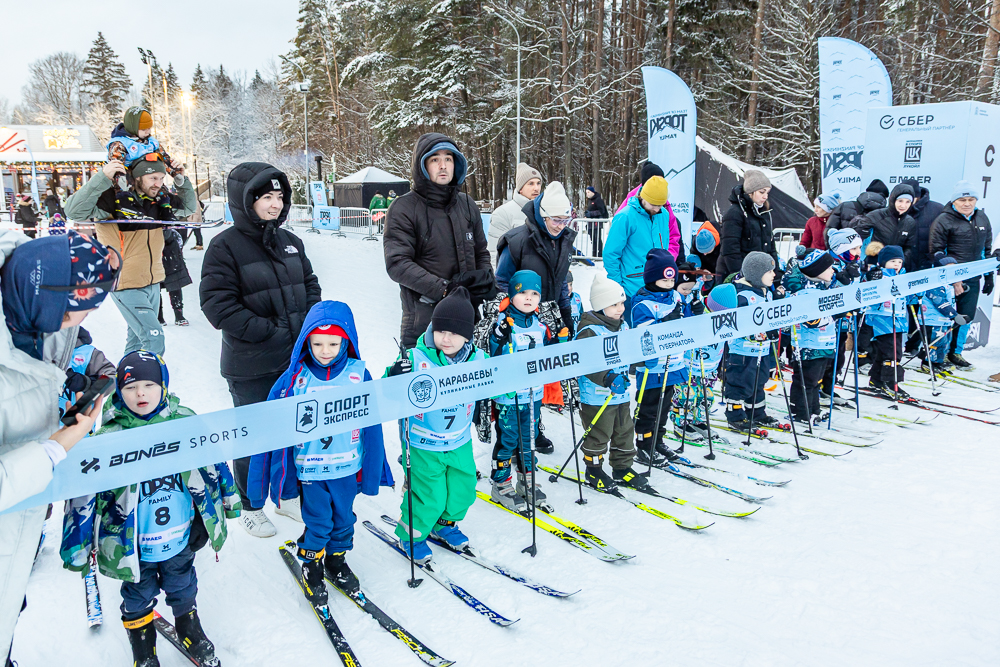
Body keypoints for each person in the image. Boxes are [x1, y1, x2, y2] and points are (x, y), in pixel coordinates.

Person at [60, 350, 239, 667]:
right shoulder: (108, 439)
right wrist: (78, 544)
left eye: (148, 385)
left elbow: (215, 462)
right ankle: (143, 646)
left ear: (164, 386)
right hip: (133, 543)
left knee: (182, 581)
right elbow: (82, 496)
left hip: (180, 532)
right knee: (138, 593)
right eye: (129, 387)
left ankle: (188, 625)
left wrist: (230, 500)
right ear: (118, 392)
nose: (140, 393)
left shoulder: (185, 422)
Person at [1, 230, 116, 665]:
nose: (74, 326)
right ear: (47, 299)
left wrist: (65, 384)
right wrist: (52, 450)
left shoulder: (27, 306)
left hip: (18, 518)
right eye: (73, 316)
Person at [200, 163, 322, 536]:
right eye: (266, 197)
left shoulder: (289, 242)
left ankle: (286, 496)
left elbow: (311, 284)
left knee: (293, 432)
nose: (275, 204)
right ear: (245, 201)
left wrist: (311, 326)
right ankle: (250, 503)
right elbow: (217, 304)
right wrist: (268, 332)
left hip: (294, 360)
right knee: (253, 437)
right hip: (252, 364)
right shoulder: (225, 247)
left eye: (279, 196)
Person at [260, 301, 390, 604]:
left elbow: (373, 425)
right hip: (311, 470)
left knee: (344, 520)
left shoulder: (360, 374)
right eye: (317, 343)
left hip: (346, 466)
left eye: (333, 343)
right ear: (307, 341)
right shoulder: (297, 378)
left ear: (347, 340)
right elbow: (272, 425)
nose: (325, 350)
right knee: (319, 521)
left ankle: (336, 561)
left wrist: (372, 469)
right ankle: (312, 565)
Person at [387, 287, 485, 562]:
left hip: (458, 441)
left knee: (463, 490)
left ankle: (444, 525)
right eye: (441, 330)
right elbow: (388, 390)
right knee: (429, 495)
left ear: (467, 334)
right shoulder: (418, 358)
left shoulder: (477, 359)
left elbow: (497, 381)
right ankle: (412, 534)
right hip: (424, 442)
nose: (446, 337)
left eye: (454, 332)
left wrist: (511, 388)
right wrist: (394, 375)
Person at [65, 154, 197, 357]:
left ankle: (123, 385)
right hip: (126, 283)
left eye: (162, 178)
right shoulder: (112, 202)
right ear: (137, 178)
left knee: (136, 342)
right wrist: (102, 177)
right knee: (154, 338)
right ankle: (154, 386)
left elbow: (188, 208)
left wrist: (180, 179)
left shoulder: (160, 201)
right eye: (153, 178)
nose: (158, 184)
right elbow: (73, 211)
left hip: (152, 281)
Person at [383, 133, 494, 348]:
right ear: (422, 165)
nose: (443, 166)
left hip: (467, 317)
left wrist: (486, 279)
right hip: (425, 320)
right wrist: (445, 289)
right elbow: (397, 264)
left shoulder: (467, 204)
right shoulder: (404, 208)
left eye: (448, 159)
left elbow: (480, 251)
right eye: (435, 159)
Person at [495, 181, 576, 444]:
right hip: (519, 316)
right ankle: (508, 429)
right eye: (555, 219)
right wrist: (509, 317)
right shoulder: (518, 240)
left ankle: (534, 425)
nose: (560, 225)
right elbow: (502, 281)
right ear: (542, 215)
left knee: (538, 374)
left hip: (548, 315)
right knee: (517, 374)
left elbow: (561, 281)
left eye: (566, 220)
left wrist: (565, 316)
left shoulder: (564, 240)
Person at [487, 270, 564, 512]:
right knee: (508, 440)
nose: (528, 298)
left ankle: (526, 479)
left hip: (533, 395)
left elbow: (548, 357)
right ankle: (501, 484)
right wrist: (498, 338)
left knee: (529, 438)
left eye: (534, 293)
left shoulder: (540, 326)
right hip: (509, 398)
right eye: (522, 293)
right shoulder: (503, 322)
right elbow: (492, 355)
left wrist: (559, 342)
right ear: (512, 294)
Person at [574, 273, 649, 492]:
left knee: (624, 430)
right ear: (600, 305)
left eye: (622, 303)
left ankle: (622, 467)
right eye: (614, 304)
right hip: (597, 395)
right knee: (599, 433)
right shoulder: (589, 331)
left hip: (621, 393)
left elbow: (627, 351)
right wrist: (607, 377)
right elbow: (586, 362)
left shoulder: (622, 326)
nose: (620, 308)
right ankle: (594, 470)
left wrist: (638, 360)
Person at [631, 250, 701, 464]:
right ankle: (644, 444)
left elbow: (684, 321)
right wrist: (664, 323)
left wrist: (692, 312)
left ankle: (658, 440)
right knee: (649, 408)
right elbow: (643, 333)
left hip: (674, 363)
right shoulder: (642, 303)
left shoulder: (676, 296)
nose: (670, 284)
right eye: (664, 279)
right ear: (652, 278)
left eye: (672, 279)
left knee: (664, 407)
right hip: (653, 368)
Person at [929, 180, 995, 369]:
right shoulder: (943, 219)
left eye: (971, 199)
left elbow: (987, 249)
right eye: (963, 199)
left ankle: (955, 353)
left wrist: (989, 275)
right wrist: (954, 278)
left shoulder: (982, 217)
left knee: (966, 316)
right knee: (945, 316)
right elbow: (936, 251)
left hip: (974, 276)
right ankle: (934, 354)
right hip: (949, 278)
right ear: (954, 201)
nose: (967, 203)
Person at [604, 176, 677, 324]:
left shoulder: (664, 215)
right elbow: (610, 254)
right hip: (631, 289)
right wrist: (618, 286)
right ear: (643, 197)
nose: (657, 209)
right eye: (653, 204)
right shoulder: (625, 217)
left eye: (661, 205)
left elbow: (664, 249)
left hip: (657, 288)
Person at [722, 252, 781, 429]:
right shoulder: (742, 296)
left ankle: (756, 413)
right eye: (769, 271)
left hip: (762, 350)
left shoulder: (766, 294)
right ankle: (735, 415)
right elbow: (736, 324)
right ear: (756, 274)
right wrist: (756, 334)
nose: (774, 275)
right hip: (742, 351)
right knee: (740, 383)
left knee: (758, 382)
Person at [782, 249, 839, 424]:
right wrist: (835, 313)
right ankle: (802, 411)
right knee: (807, 379)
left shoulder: (822, 289)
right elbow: (812, 321)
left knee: (817, 380)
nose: (833, 271)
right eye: (829, 268)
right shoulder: (805, 294)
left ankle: (814, 409)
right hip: (809, 345)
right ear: (817, 272)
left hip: (823, 344)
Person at [717, 170, 780, 283]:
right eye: (762, 192)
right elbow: (730, 249)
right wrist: (740, 276)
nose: (765, 196)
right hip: (736, 276)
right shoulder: (734, 213)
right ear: (750, 192)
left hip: (759, 275)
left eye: (767, 192)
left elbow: (770, 246)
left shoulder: (764, 212)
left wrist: (776, 273)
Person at [864, 245, 910, 397]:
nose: (897, 264)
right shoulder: (879, 275)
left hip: (898, 320)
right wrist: (871, 279)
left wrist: (918, 293)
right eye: (892, 261)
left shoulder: (903, 276)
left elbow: (908, 297)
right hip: (883, 319)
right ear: (883, 262)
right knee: (892, 352)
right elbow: (867, 287)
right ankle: (890, 381)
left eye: (899, 261)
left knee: (886, 351)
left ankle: (877, 379)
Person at [106, 106, 179, 188]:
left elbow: (164, 157)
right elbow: (115, 163)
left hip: (151, 177)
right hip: (132, 179)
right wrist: (120, 177)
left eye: (149, 128)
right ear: (133, 128)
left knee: (161, 192)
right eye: (144, 130)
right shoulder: (121, 143)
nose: (148, 132)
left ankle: (163, 198)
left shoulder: (151, 142)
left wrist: (175, 172)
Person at [915, 255, 964, 375]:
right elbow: (939, 301)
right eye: (948, 269)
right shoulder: (935, 284)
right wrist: (953, 315)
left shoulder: (947, 283)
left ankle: (938, 363)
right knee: (934, 343)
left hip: (943, 321)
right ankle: (928, 363)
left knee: (943, 343)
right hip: (933, 320)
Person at [854, 183, 918, 271]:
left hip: (895, 268)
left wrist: (900, 262)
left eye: (907, 202)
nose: (903, 206)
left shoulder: (910, 222)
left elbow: (909, 247)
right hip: (873, 266)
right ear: (893, 200)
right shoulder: (876, 215)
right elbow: (856, 237)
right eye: (900, 201)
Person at [487, 163, 543, 261]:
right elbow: (494, 253)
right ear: (520, 188)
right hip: (514, 274)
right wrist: (496, 276)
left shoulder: (544, 211)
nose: (536, 188)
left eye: (538, 183)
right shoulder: (502, 213)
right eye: (531, 183)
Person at [899, 179, 944, 271]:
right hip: (900, 267)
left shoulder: (938, 210)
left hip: (927, 266)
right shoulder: (893, 210)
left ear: (918, 196)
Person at [158, 228, 192, 326]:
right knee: (155, 286)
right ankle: (159, 316)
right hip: (153, 245)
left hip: (169, 247)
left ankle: (178, 314)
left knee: (174, 283)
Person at [584, 186, 609, 256]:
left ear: (593, 192)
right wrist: (586, 214)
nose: (587, 194)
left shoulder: (598, 200)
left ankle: (599, 253)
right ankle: (594, 253)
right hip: (590, 223)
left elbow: (602, 211)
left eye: (588, 192)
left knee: (597, 238)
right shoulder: (590, 200)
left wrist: (590, 214)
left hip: (596, 222)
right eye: (586, 193)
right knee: (592, 239)